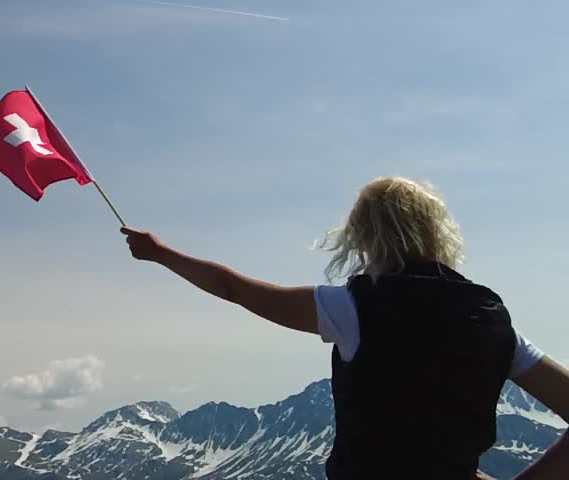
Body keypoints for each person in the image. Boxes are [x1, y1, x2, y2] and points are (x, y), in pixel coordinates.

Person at [121, 176, 569, 479]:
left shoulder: (352, 308)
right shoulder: (491, 320)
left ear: (363, 236)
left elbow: (234, 290)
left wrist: (162, 254)